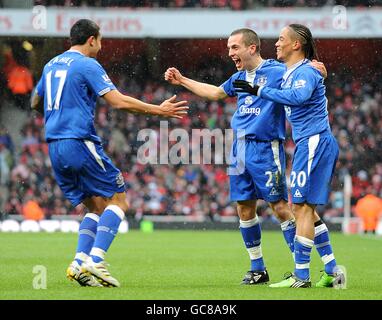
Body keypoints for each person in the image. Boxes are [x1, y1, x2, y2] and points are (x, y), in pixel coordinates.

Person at [31, 19, 188, 287]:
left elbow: (36, 101)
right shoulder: (87, 64)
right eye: (100, 41)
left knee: (95, 205)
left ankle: (80, 262)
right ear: (91, 39)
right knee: (119, 199)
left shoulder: (51, 64)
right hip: (78, 141)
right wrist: (158, 110)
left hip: (55, 145)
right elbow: (117, 101)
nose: (101, 47)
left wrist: (59, 113)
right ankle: (97, 260)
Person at [165, 28, 327, 285]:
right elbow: (216, 93)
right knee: (243, 207)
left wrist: (314, 68)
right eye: (229, 48)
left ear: (252, 48)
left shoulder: (276, 71)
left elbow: (301, 74)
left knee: (280, 207)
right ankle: (257, 268)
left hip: (266, 147)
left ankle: (299, 269)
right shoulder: (239, 77)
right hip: (238, 148)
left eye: (235, 47)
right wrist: (183, 80)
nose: (230, 53)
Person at [233, 24, 346, 288]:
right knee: (303, 208)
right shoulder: (290, 71)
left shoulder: (305, 71)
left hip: (314, 141)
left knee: (301, 208)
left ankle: (302, 276)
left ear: (296, 44)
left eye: (281, 39)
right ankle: (330, 269)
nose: (276, 43)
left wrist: (258, 91)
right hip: (307, 143)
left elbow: (298, 96)